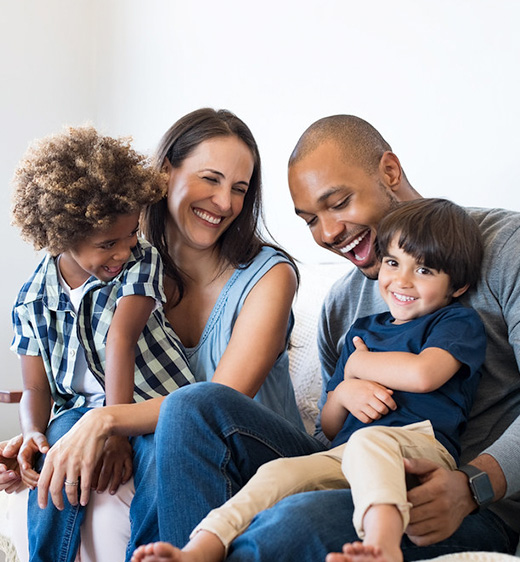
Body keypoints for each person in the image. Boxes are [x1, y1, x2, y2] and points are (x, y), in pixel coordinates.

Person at [129, 114, 519, 560]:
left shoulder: (506, 248)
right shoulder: (343, 303)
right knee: (191, 405)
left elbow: (427, 375)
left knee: (292, 523)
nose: (329, 233)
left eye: (339, 203)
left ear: (389, 172)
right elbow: (331, 434)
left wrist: (473, 485)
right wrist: (345, 393)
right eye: (311, 219)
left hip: (464, 501)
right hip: (351, 465)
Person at [0, 108, 309, 561]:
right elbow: (64, 377)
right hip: (163, 446)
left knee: (141, 468)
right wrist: (37, 441)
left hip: (249, 458)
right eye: (211, 179)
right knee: (73, 479)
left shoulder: (269, 276)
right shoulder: (115, 257)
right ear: (165, 173)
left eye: (239, 189)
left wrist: (106, 421)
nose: (224, 202)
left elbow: (212, 406)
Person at [10, 125, 195, 562]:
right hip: (77, 412)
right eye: (108, 243)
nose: (124, 249)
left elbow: (121, 340)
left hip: (151, 402)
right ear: (61, 237)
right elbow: (36, 388)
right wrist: (32, 433)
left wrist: (115, 429)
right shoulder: (32, 298)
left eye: (131, 233)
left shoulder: (139, 261)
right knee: (54, 456)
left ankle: (151, 553)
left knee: (158, 458)